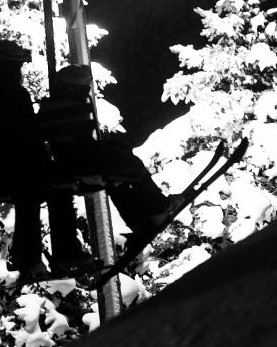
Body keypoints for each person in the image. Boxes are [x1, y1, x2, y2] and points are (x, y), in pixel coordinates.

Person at [0, 40, 97, 277]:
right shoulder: (7, 93)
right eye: (18, 67)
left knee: (37, 190)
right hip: (7, 167)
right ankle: (59, 254)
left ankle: (35, 256)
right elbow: (24, 134)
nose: (20, 72)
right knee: (52, 186)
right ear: (8, 67)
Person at [37, 64, 177, 248]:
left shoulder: (52, 106)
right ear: (74, 87)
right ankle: (157, 208)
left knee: (116, 180)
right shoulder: (69, 107)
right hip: (81, 163)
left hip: (72, 163)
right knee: (130, 166)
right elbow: (78, 142)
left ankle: (138, 222)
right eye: (84, 87)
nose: (86, 91)